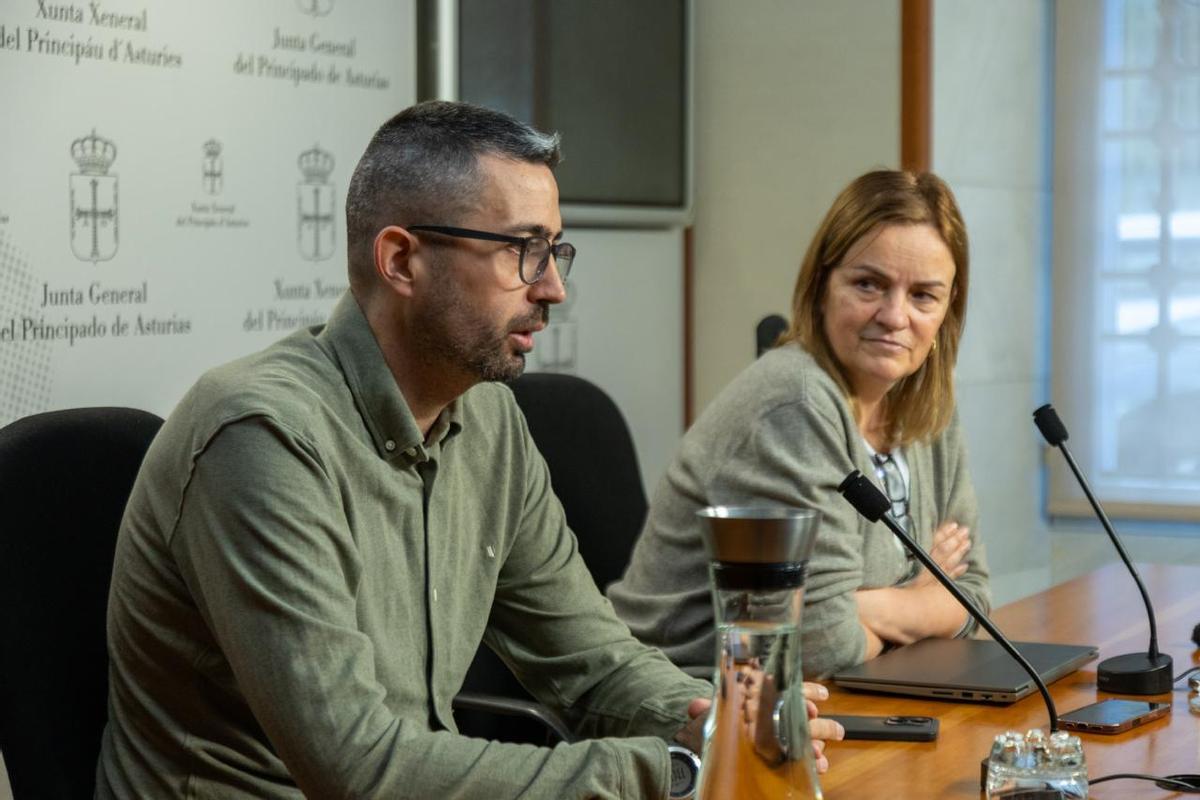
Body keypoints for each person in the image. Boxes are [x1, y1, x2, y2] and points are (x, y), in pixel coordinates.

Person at [95, 101, 840, 799]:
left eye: (554, 252)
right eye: (523, 250)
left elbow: (588, 659)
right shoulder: (262, 438)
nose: (553, 289)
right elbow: (358, 766)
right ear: (401, 261)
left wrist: (716, 720)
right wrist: (673, 770)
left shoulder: (489, 422)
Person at [608, 169, 991, 680]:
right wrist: (919, 597)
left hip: (839, 696)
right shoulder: (797, 402)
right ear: (821, 285)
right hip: (697, 706)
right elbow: (821, 643)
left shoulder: (926, 401)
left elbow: (976, 596)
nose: (896, 316)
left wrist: (869, 606)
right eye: (868, 284)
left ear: (948, 308)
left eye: (924, 295)